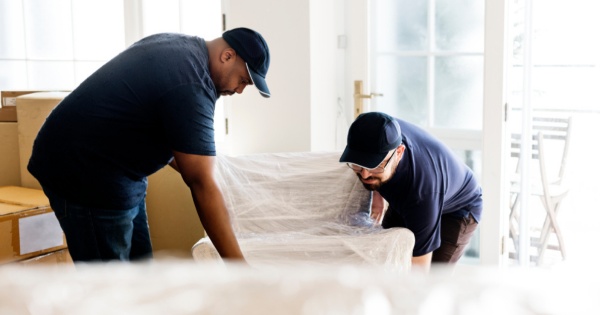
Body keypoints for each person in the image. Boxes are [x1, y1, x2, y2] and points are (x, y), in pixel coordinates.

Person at [27, 27, 271, 262]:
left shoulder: (182, 48)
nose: (239, 90)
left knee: (142, 276)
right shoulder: (191, 83)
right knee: (111, 289)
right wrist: (241, 271)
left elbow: (174, 138)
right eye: (243, 81)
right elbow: (200, 183)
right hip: (85, 172)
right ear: (227, 56)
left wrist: (212, 173)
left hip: (119, 169)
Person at [339, 112, 482, 271]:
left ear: (399, 152)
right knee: (383, 258)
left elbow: (420, 273)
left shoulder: (421, 194)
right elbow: (370, 160)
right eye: (359, 165)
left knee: (432, 282)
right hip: (415, 190)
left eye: (375, 166)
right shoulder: (376, 129)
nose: (364, 174)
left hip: (459, 208)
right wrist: (377, 197)